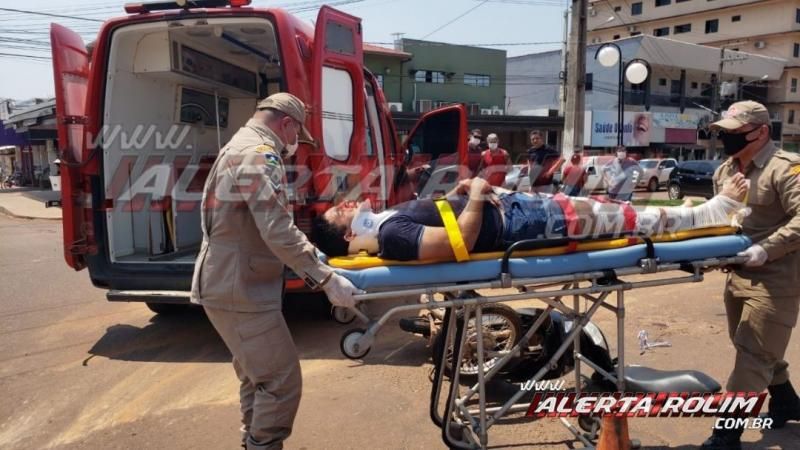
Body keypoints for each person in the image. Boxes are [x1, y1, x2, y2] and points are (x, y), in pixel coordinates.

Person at [190, 93, 362, 450]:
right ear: (287, 124)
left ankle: (253, 441)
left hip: (231, 282)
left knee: (259, 379)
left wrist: (311, 255)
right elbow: (276, 229)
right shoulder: (258, 155)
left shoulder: (239, 146)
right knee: (282, 382)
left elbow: (260, 224)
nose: (294, 146)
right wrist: (326, 277)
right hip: (240, 288)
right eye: (297, 136)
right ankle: (261, 444)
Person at [312, 175, 748, 261]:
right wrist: (480, 193)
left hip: (519, 214)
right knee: (619, 218)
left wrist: (462, 194)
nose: (349, 202)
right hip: (526, 226)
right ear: (350, 232)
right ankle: (712, 213)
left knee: (619, 213)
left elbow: (448, 223)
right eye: (342, 211)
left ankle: (695, 213)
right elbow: (455, 245)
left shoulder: (389, 224)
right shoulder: (392, 235)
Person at [701, 101, 800, 450]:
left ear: (761, 132)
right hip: (737, 277)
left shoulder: (786, 169)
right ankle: (787, 401)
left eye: (734, 132)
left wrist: (766, 249)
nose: (727, 138)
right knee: (754, 348)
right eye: (724, 132)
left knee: (753, 356)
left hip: (777, 281)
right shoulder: (725, 171)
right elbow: (722, 221)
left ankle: (726, 434)